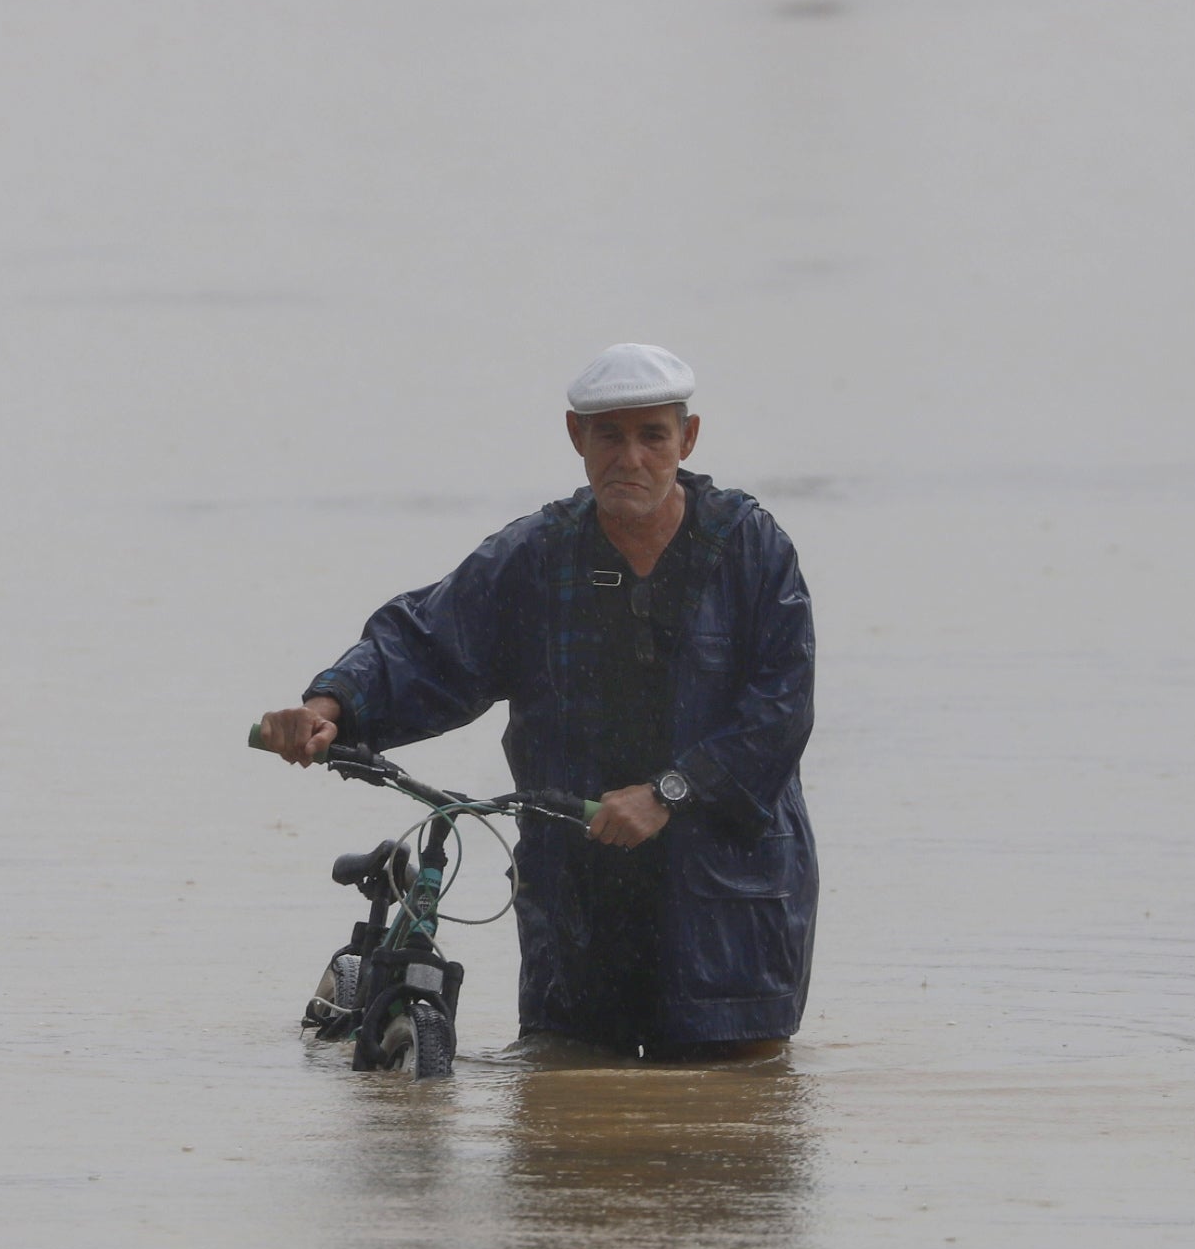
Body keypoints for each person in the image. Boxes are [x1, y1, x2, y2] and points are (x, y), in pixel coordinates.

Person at [256, 343, 817, 1061]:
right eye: (609, 435)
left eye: (652, 435)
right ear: (576, 438)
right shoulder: (536, 555)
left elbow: (779, 711)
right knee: (561, 1096)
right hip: (577, 892)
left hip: (729, 901)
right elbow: (425, 642)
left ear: (688, 438)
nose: (631, 458)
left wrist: (666, 793)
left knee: (732, 1112)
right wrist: (329, 705)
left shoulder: (751, 550)